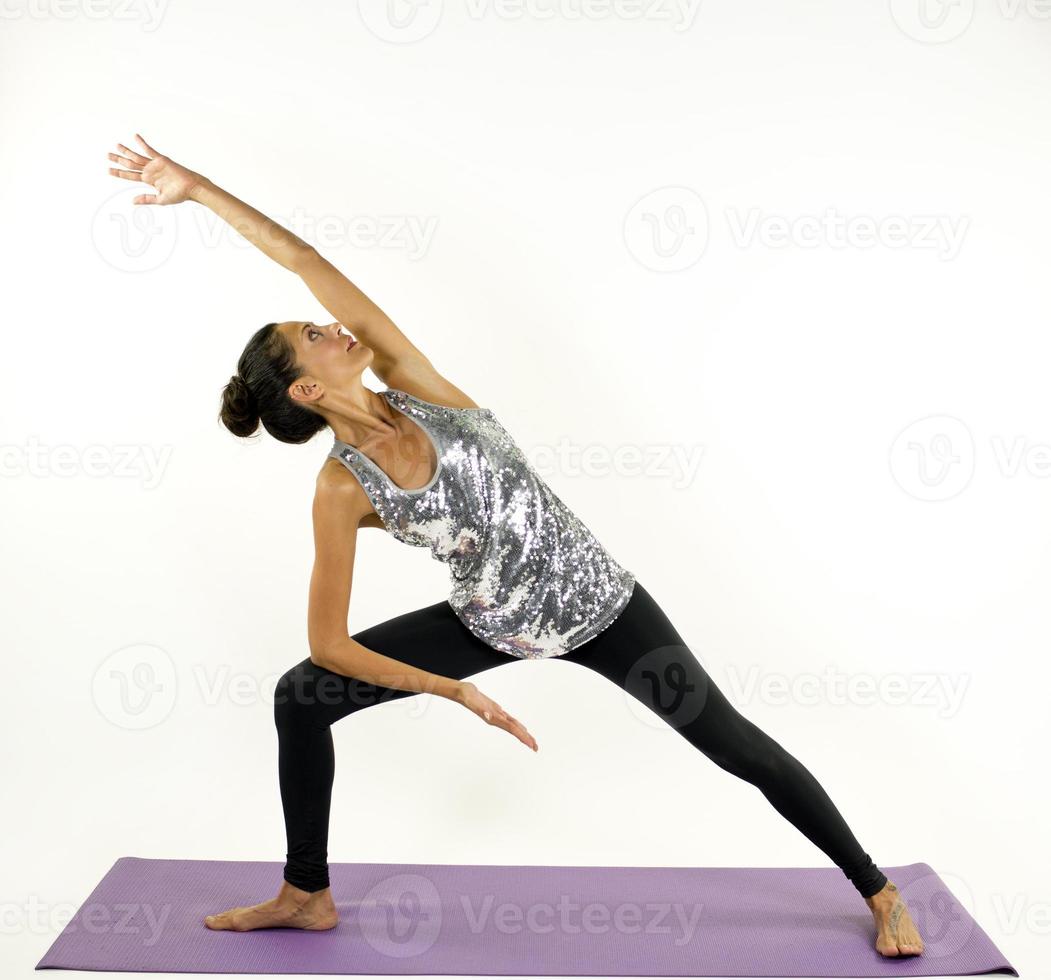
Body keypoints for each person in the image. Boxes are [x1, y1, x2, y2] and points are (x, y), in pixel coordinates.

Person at [107, 134, 925, 958]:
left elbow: (306, 257)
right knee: (299, 696)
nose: (332, 324)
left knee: (735, 745)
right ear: (308, 389)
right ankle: (304, 893)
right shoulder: (341, 488)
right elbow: (327, 644)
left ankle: (878, 889)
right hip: (487, 622)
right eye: (313, 335)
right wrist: (451, 691)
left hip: (600, 606)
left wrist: (201, 190)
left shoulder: (413, 381)